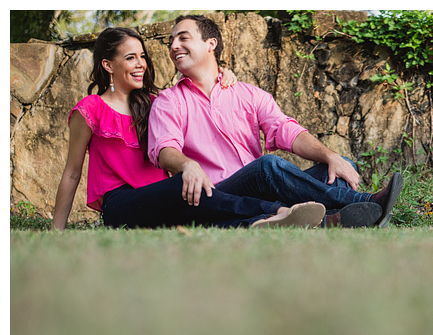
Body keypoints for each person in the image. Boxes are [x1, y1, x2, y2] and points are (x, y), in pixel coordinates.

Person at [52, 27, 329, 232]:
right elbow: (72, 172)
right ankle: (277, 210)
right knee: (180, 186)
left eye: (142, 57)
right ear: (108, 65)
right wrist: (57, 230)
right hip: (122, 203)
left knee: (195, 201)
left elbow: (171, 140)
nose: (140, 64)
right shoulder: (89, 109)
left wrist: (225, 75)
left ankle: (264, 222)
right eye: (131, 58)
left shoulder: (154, 103)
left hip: (167, 200)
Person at [148, 14, 402, 229]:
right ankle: (365, 201)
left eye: (183, 38)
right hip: (218, 194)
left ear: (210, 44)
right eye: (171, 41)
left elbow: (286, 131)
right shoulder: (169, 101)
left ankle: (331, 218)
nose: (173, 46)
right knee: (266, 166)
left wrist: (330, 156)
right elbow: (164, 149)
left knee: (338, 166)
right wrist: (188, 164)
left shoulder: (249, 94)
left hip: (263, 188)